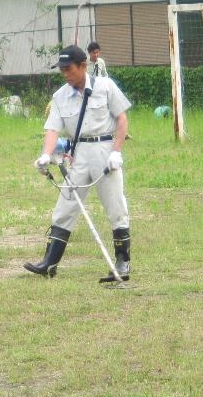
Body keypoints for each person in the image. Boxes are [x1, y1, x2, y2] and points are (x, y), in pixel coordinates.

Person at [25, 45, 132, 282]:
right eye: (61, 70)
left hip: (104, 149)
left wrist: (117, 151)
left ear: (83, 66)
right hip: (78, 153)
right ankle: (49, 262)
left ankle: (123, 262)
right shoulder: (60, 96)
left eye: (68, 69)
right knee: (66, 206)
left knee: (115, 206)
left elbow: (122, 119)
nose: (65, 74)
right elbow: (53, 128)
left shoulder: (105, 87)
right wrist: (46, 154)